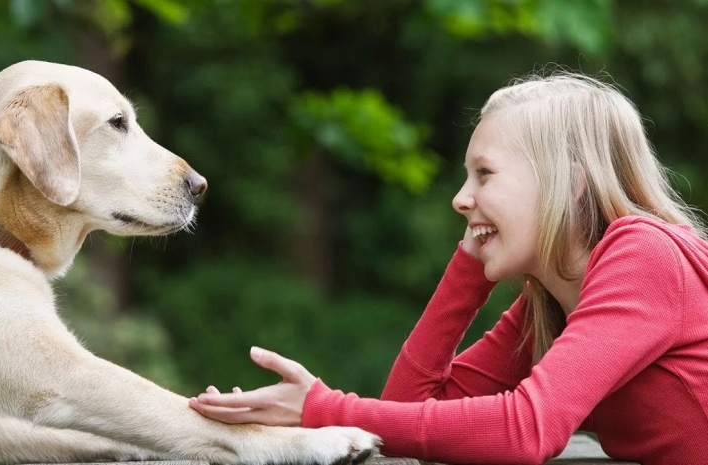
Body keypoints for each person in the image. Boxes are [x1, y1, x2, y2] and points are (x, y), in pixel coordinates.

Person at [188, 72, 708, 464]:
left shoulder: (644, 257)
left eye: (484, 174)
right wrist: (468, 267)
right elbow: (409, 409)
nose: (461, 199)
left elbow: (526, 429)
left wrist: (322, 410)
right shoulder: (551, 303)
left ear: (568, 182)